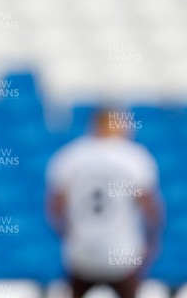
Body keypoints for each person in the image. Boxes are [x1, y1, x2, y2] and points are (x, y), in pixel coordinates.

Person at [46, 109, 163, 298]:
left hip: (81, 254)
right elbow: (151, 207)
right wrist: (151, 242)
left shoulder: (69, 156)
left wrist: (68, 233)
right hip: (123, 255)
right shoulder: (134, 157)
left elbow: (55, 206)